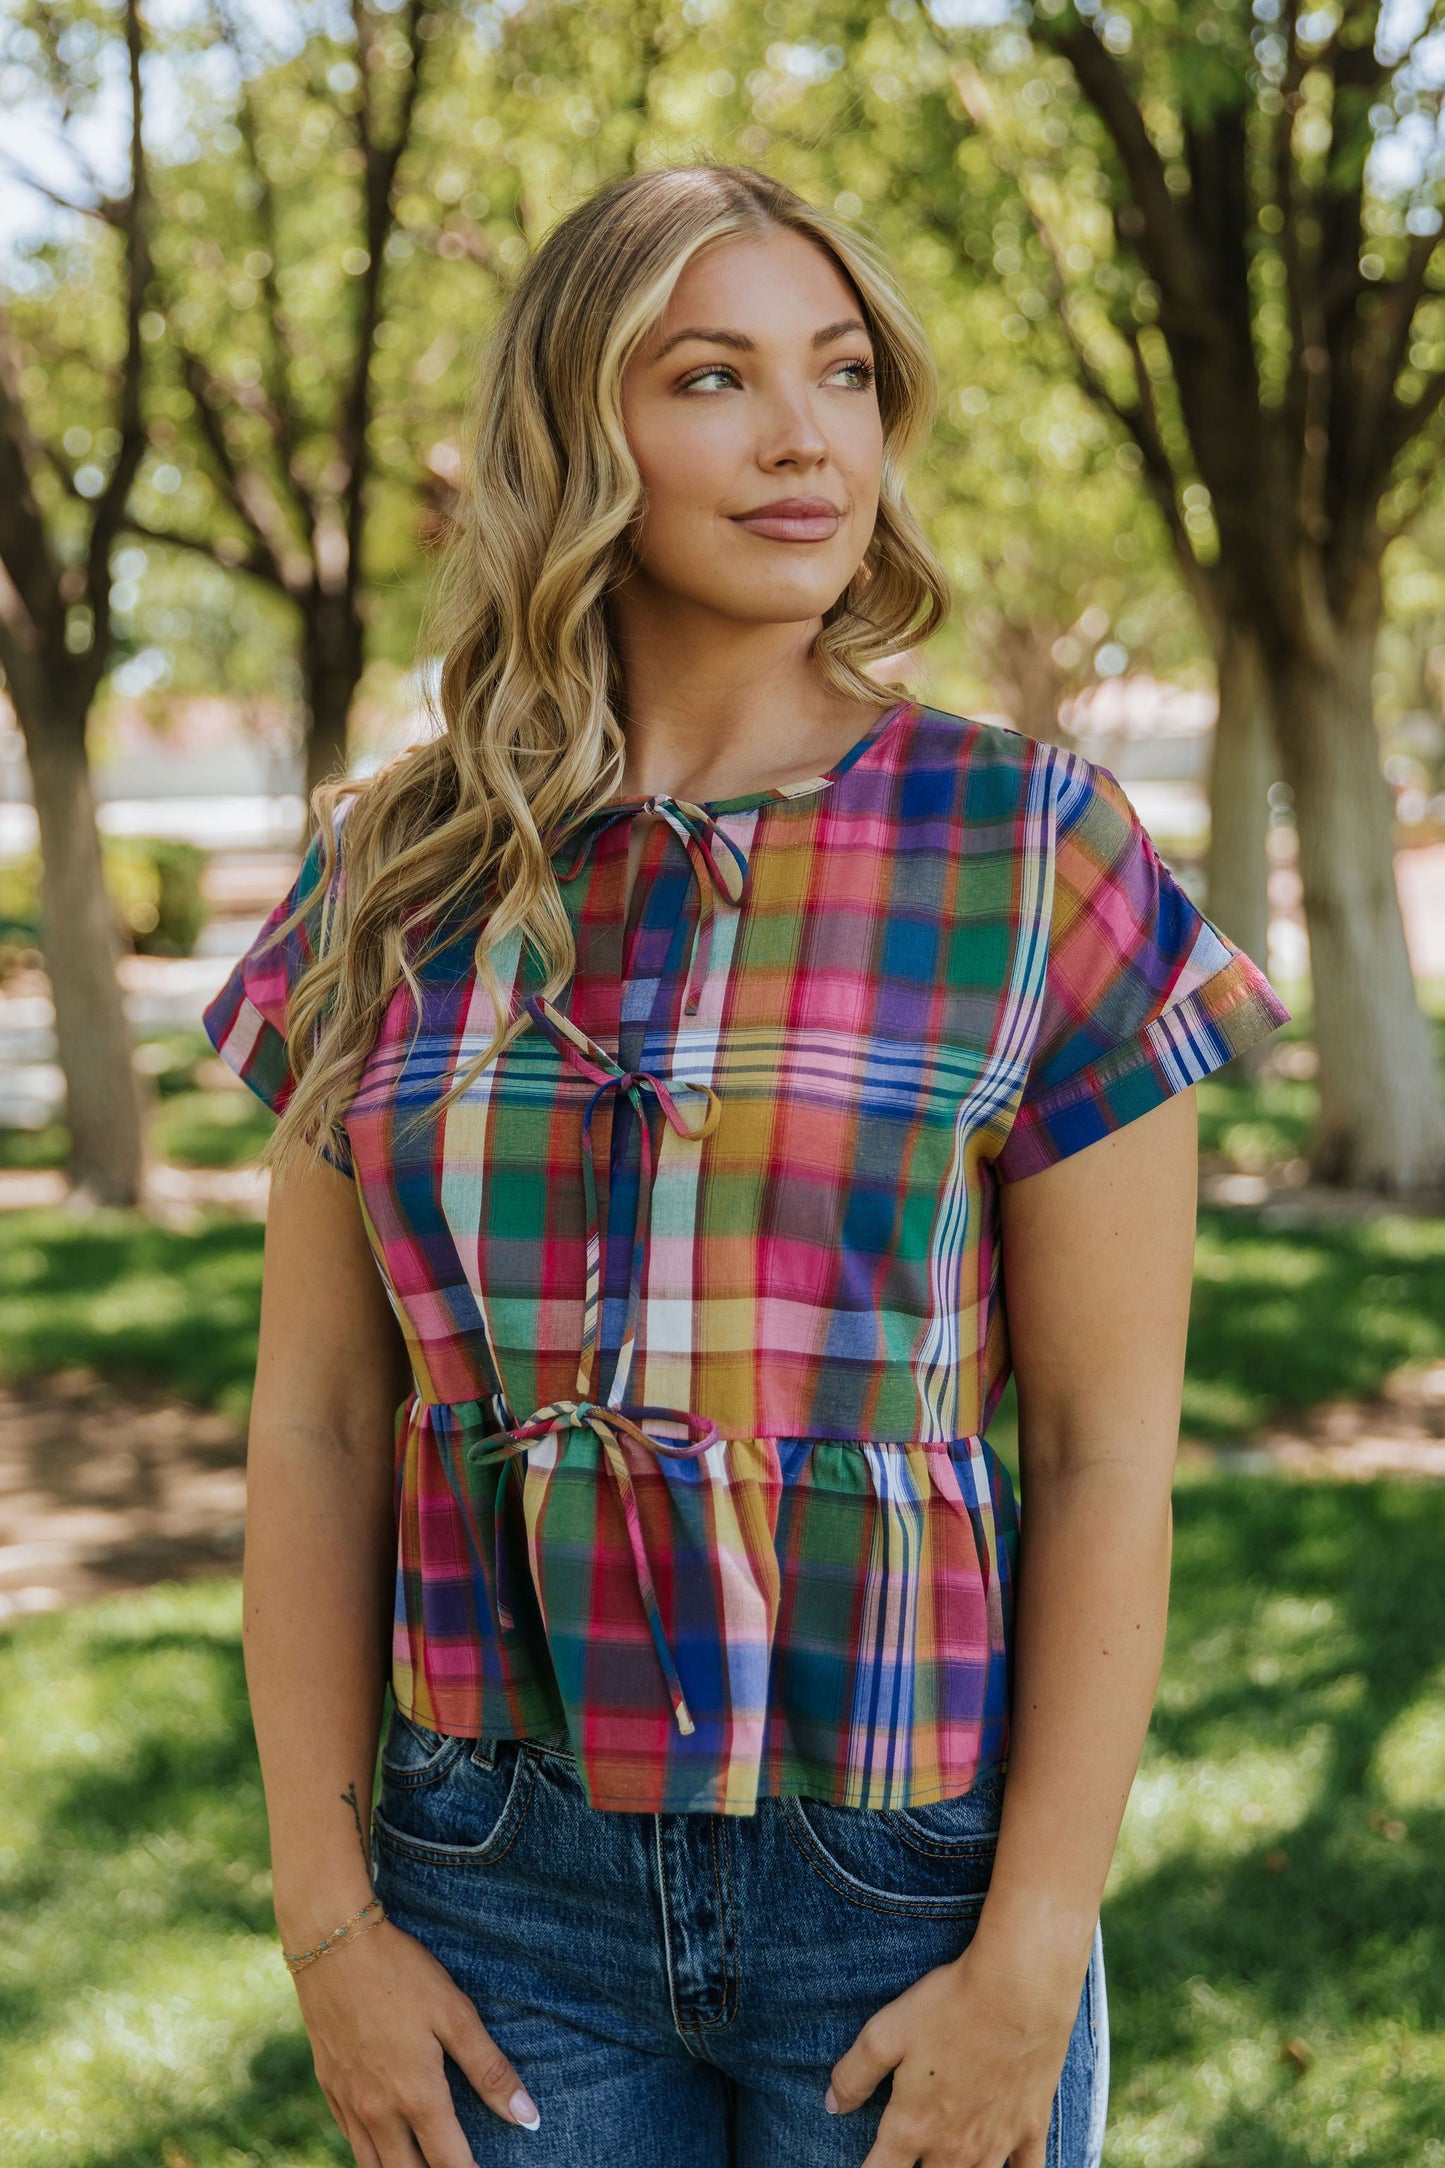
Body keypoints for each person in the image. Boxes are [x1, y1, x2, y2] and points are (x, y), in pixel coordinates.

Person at [203, 161, 1291, 2168]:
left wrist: (1031, 1950)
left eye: (844, 372)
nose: (807, 437)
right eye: (713, 376)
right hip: (488, 1885)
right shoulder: (396, 872)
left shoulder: (1028, 846)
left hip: (905, 1885)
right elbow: (321, 1423)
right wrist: (329, 1918)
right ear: (574, 436)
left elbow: (1107, 1447)